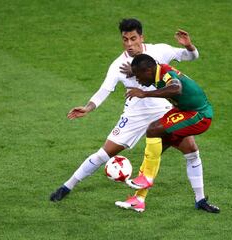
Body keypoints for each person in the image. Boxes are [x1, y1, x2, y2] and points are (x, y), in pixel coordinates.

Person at [50, 18, 212, 212]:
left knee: (192, 151)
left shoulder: (159, 50)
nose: (129, 44)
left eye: (133, 38)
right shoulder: (118, 64)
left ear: (141, 37)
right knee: (104, 154)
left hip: (163, 110)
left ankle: (200, 199)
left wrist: (190, 46)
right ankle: (67, 186)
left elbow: (191, 57)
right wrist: (88, 107)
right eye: (125, 39)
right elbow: (104, 90)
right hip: (134, 115)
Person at [115, 54, 220, 213]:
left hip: (199, 115)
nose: (138, 80)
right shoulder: (155, 71)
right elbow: (151, 68)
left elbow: (176, 88)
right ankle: (139, 200)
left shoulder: (166, 74)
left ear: (148, 70)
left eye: (138, 76)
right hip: (184, 111)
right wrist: (134, 70)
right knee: (160, 153)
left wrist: (144, 94)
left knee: (153, 130)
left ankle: (146, 181)